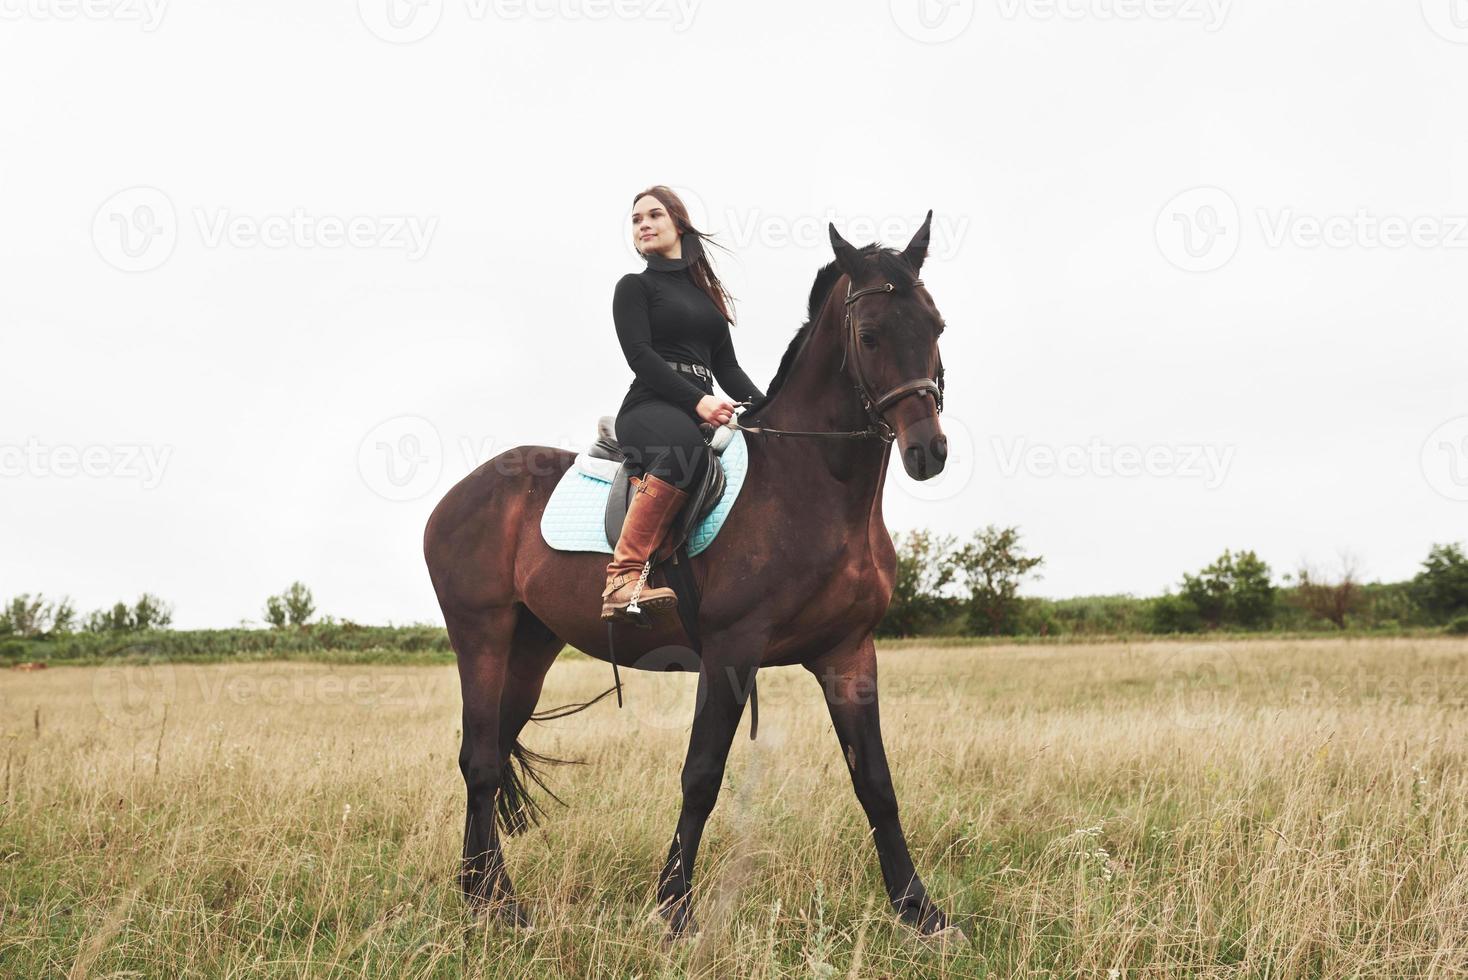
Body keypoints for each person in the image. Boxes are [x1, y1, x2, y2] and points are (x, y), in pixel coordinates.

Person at [601, 186, 764, 623]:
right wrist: (699, 401)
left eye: (653, 215)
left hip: (698, 407)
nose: (644, 225)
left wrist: (771, 411)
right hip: (648, 407)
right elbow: (641, 357)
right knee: (681, 450)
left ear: (678, 224)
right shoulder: (634, 287)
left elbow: (728, 370)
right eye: (636, 220)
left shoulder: (707, 299)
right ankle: (623, 576)